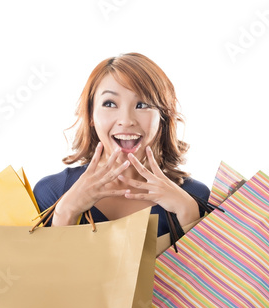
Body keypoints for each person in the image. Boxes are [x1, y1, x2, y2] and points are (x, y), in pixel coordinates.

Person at [33, 52, 210, 237]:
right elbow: (35, 265)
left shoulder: (195, 196)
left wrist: (189, 214)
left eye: (142, 105)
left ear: (163, 118)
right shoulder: (52, 192)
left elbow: (208, 265)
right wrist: (64, 214)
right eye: (110, 103)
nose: (126, 120)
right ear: (90, 114)